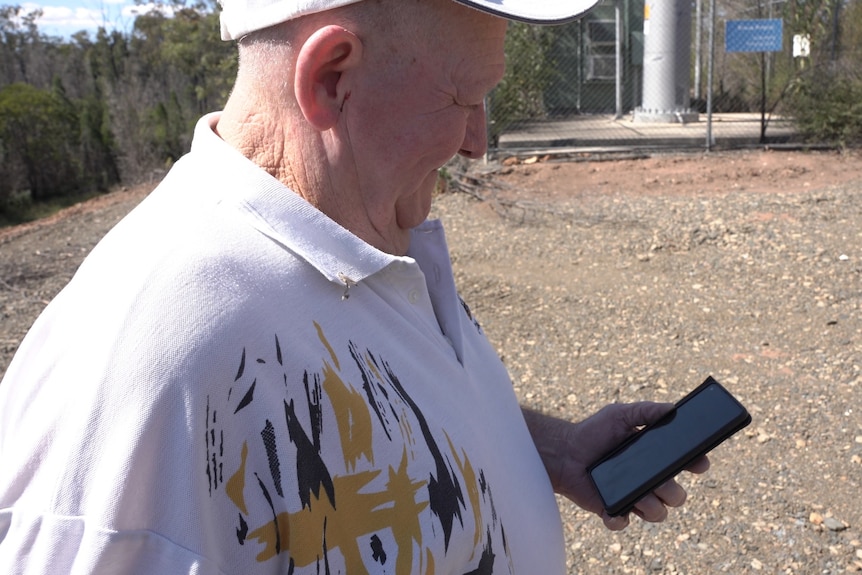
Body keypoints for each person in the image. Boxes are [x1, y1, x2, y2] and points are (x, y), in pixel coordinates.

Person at [0, 0, 709, 572]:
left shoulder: (350, 234)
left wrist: (548, 450)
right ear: (331, 77)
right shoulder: (155, 357)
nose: (479, 141)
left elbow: (370, 405)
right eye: (466, 97)